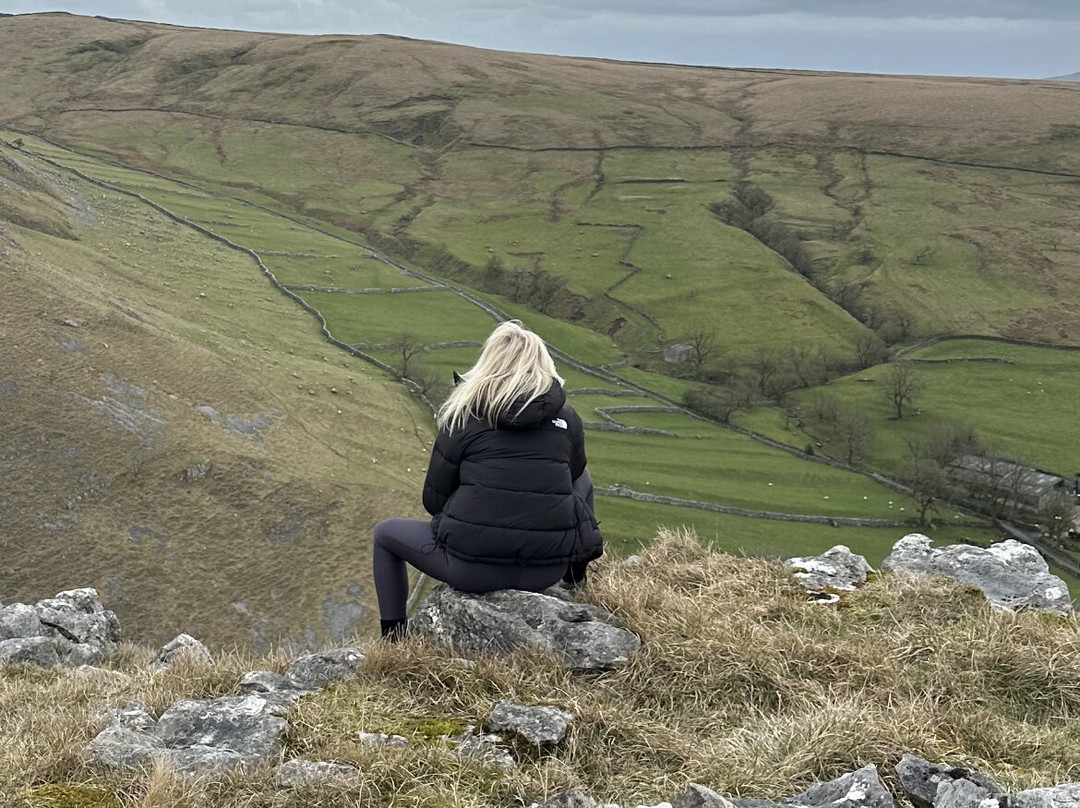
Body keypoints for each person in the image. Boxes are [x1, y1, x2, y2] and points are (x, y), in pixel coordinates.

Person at [372, 320, 603, 640]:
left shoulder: (462, 416)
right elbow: (576, 483)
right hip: (545, 569)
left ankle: (394, 639)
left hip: (470, 570)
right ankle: (575, 581)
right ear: (542, 364)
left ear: (488, 364)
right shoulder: (568, 419)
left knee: (385, 535)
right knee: (581, 476)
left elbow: (434, 501)